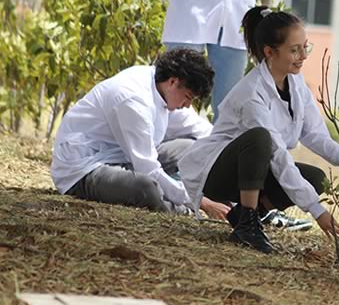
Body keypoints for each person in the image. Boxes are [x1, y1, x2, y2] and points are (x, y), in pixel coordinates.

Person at [178, 6, 339, 253]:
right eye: (294, 50)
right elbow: (276, 153)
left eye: (305, 47)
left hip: (255, 166)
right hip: (218, 171)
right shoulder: (252, 93)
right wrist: (317, 210)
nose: (303, 55)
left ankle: (244, 214)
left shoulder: (296, 82)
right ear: (269, 52)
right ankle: (247, 224)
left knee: (315, 178)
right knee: (261, 138)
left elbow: (313, 132)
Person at [51, 48, 230, 219]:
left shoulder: (161, 85)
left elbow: (199, 129)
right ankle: (182, 211)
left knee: (193, 148)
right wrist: (201, 202)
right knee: (146, 188)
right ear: (173, 82)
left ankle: (208, 200)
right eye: (188, 97)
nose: (187, 105)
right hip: (85, 168)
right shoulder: (133, 100)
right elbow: (148, 170)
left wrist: (231, 152)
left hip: (125, 158)